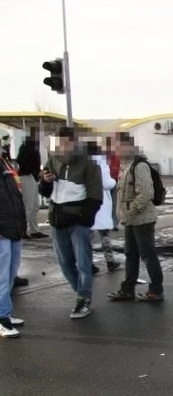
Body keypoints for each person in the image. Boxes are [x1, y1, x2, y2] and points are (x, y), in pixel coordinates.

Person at [38, 126, 103, 319]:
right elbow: (45, 192)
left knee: (83, 262)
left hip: (78, 221)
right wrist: (45, 181)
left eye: (66, 143)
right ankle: (80, 294)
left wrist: (85, 219)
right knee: (65, 263)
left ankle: (83, 298)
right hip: (57, 219)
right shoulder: (52, 160)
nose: (63, 147)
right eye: (60, 143)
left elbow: (95, 195)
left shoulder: (89, 164)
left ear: (75, 143)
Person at [107, 132, 163, 302]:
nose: (115, 150)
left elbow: (146, 193)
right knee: (131, 254)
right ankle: (128, 289)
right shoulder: (125, 166)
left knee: (148, 254)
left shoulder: (139, 166)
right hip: (130, 219)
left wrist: (131, 210)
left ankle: (156, 290)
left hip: (142, 219)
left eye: (118, 145)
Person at [0, 144, 27, 338]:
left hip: (13, 227)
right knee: (2, 276)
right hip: (2, 229)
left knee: (9, 274)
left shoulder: (4, 162)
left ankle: (5, 312)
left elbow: (15, 195)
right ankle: (2, 319)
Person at [86, 141, 119, 273]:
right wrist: (114, 181)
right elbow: (107, 183)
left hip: (87, 202)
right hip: (100, 202)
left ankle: (88, 263)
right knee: (104, 234)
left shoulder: (82, 163)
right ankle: (110, 261)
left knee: (87, 237)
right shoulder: (100, 163)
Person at [17, 128, 47, 239]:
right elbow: (23, 162)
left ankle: (34, 229)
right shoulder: (27, 147)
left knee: (35, 205)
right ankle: (23, 230)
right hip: (27, 176)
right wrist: (34, 171)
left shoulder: (33, 147)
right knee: (29, 205)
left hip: (32, 176)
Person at [105, 134, 121, 231]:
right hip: (105, 182)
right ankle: (108, 223)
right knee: (107, 204)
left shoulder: (116, 156)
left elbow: (119, 167)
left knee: (114, 203)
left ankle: (113, 223)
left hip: (114, 180)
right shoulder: (102, 156)